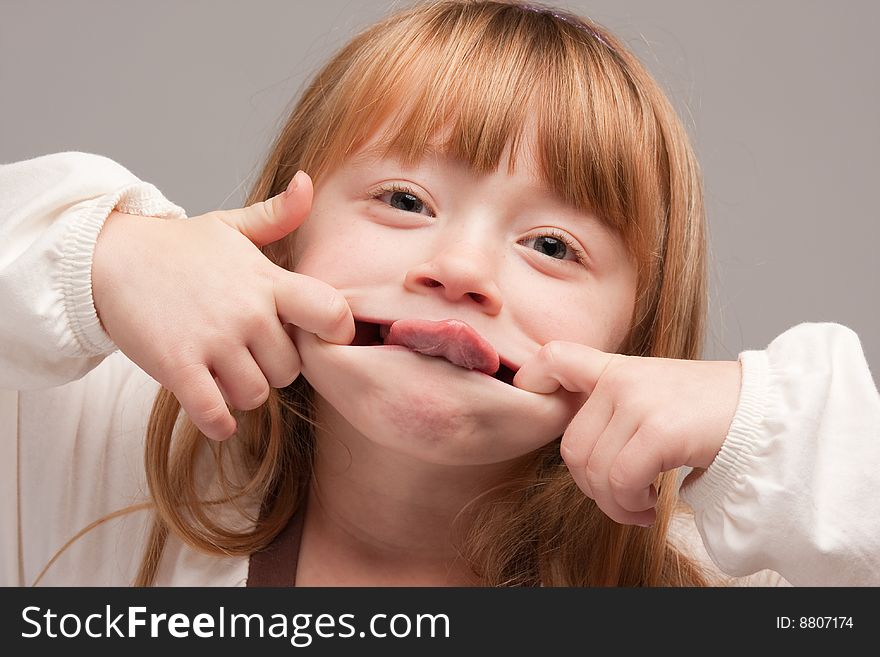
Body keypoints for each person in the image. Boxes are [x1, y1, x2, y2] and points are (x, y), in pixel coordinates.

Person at [1, 0, 878, 587]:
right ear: (287, 234)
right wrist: (101, 256)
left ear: (638, 338)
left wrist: (765, 434)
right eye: (404, 200)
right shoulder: (102, 445)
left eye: (551, 246)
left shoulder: (724, 580)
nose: (460, 270)